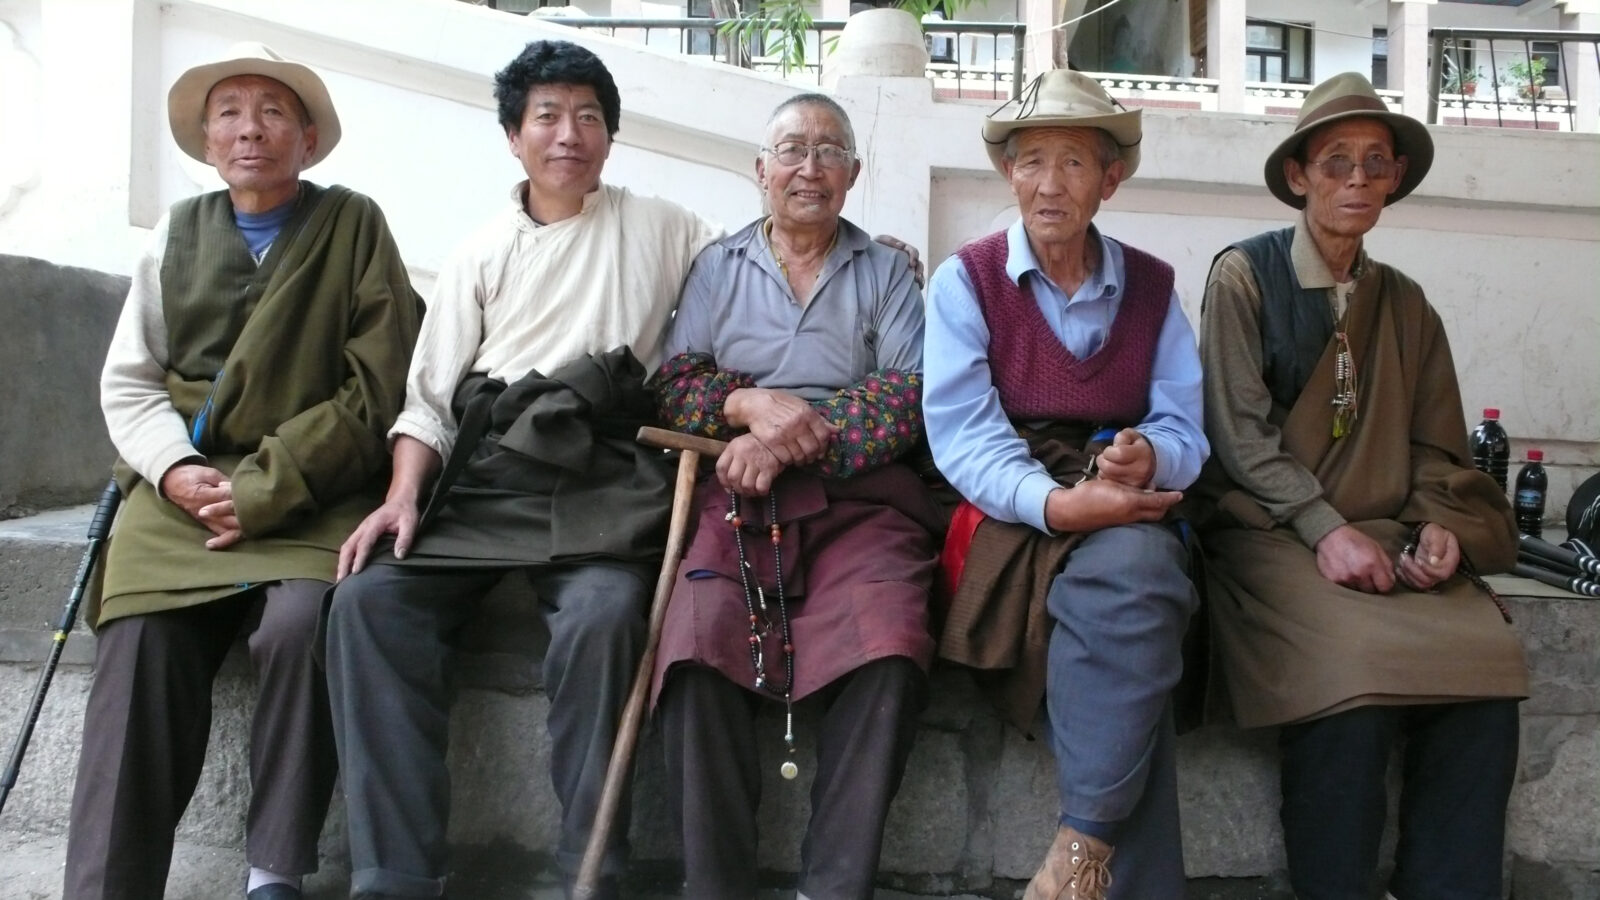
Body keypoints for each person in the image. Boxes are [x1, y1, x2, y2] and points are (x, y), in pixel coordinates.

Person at [66, 42, 423, 900]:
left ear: (305, 138)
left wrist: (265, 491)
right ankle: (109, 884)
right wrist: (177, 470)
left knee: (304, 625)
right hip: (183, 487)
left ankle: (274, 872)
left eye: (271, 113)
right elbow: (131, 380)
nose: (248, 130)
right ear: (206, 137)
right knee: (141, 637)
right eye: (229, 112)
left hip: (313, 488)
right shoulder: (175, 236)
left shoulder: (354, 225)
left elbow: (375, 389)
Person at [1196, 72, 1527, 900]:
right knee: (1353, 674)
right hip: (1268, 534)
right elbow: (1237, 438)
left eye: (1374, 163)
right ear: (1300, 175)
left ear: (1393, 181)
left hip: (1385, 535)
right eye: (1335, 161)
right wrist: (1322, 527)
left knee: (1486, 670)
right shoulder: (1243, 279)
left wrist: (1439, 529)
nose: (1355, 179)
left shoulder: (1407, 305)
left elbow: (1436, 450)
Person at [922, 69, 1207, 900]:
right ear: (1009, 173)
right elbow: (964, 434)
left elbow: (1184, 424)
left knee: (1139, 570)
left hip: (1118, 495)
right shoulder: (964, 281)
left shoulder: (1152, 286)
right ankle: (1098, 859)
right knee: (1143, 585)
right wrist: (1057, 504)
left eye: (1076, 163)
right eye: (1032, 160)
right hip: (1006, 503)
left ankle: (1077, 854)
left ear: (1110, 180)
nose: (1051, 184)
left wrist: (1145, 458)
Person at [649, 93, 941, 900]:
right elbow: (677, 384)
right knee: (695, 647)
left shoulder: (886, 272)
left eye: (828, 151)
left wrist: (786, 434)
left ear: (853, 172)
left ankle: (832, 887)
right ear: (760, 170)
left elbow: (910, 393)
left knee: (889, 644)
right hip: (734, 493)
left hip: (860, 497)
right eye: (790, 150)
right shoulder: (716, 266)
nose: (808, 168)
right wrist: (744, 407)